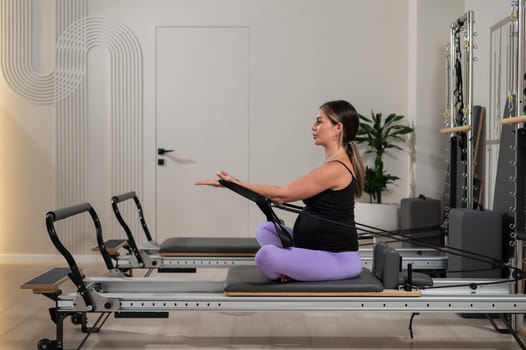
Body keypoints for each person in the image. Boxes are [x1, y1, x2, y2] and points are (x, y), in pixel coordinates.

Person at [195, 100, 365, 282]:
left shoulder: (336, 169)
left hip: (337, 258)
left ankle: (289, 270)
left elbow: (282, 195)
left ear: (338, 127)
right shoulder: (335, 164)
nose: (313, 127)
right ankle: (292, 268)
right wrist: (233, 184)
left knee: (265, 256)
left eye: (319, 121)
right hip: (311, 247)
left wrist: (234, 183)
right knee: (265, 229)